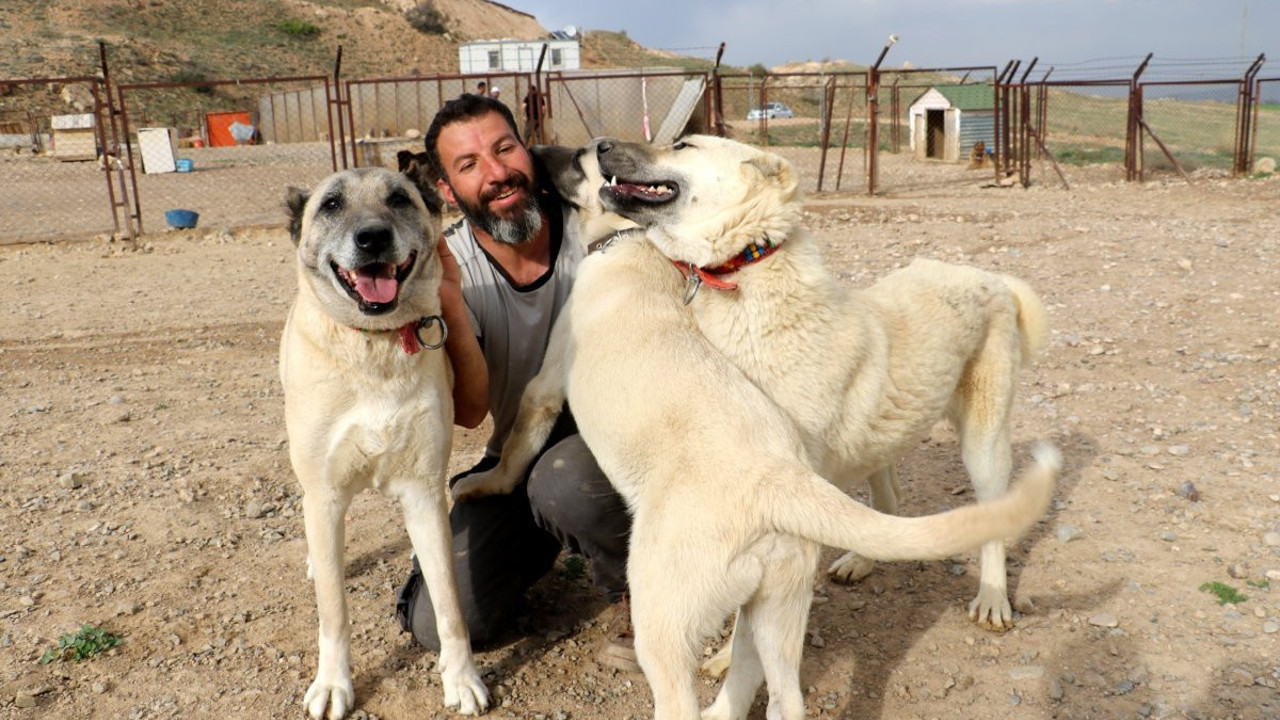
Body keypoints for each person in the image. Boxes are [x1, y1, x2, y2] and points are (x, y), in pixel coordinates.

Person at [394, 92, 638, 673]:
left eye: (505, 149)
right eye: (470, 164)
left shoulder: (596, 221)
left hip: (627, 441)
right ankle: (551, 535)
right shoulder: (452, 267)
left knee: (566, 482)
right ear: (448, 191)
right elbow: (472, 411)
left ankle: (639, 589)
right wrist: (449, 300)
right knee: (441, 625)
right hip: (518, 459)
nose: (498, 173)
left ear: (529, 153)